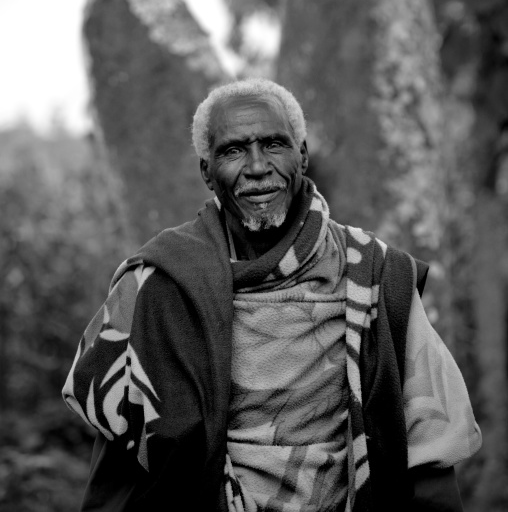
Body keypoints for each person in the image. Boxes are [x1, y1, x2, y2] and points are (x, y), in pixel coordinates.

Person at [63, 78, 481, 512]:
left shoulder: (375, 273)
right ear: (206, 171)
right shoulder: (159, 281)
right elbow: (119, 461)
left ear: (302, 155)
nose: (258, 166)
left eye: (274, 145)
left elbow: (430, 456)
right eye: (233, 150)